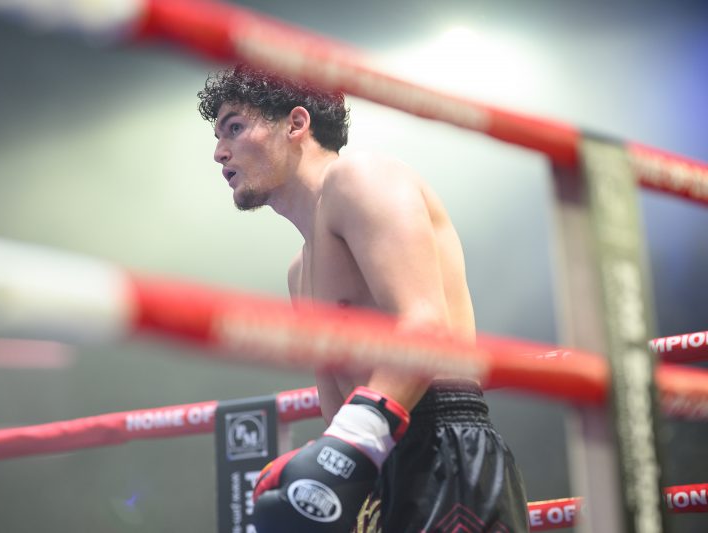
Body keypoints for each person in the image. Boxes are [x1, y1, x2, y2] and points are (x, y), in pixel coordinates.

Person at [198, 64, 528, 533]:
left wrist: (353, 441)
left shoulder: (362, 177)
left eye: (234, 127)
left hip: (444, 447)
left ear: (295, 124)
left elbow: (426, 326)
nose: (218, 152)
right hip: (378, 463)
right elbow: (340, 406)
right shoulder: (299, 273)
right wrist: (320, 458)